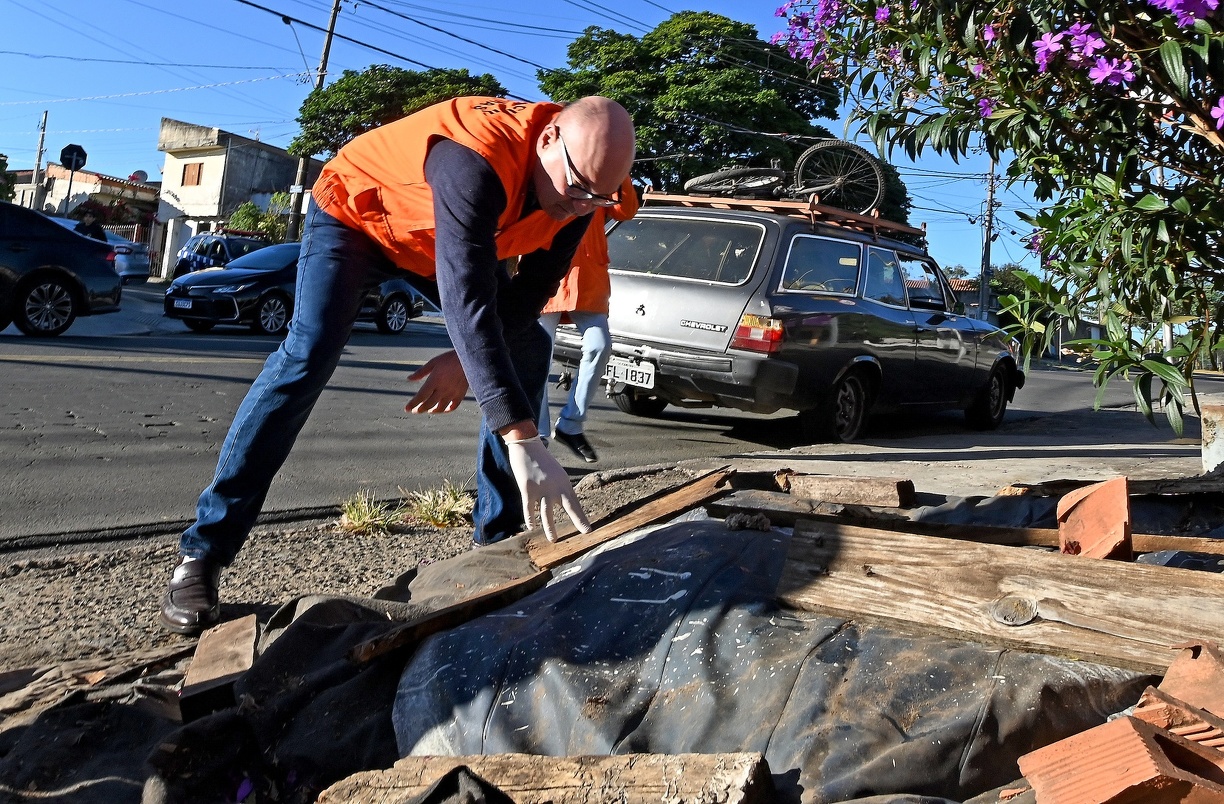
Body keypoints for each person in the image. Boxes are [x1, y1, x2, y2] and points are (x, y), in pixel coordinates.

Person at [160, 95, 636, 635]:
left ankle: (498, 549)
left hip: (430, 243)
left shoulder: (584, 192)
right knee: (307, 356)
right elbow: (467, 297)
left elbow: (531, 293)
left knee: (525, 347)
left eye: (600, 198)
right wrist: (523, 438)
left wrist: (467, 359)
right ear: (549, 139)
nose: (582, 206)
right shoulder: (474, 159)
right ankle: (202, 554)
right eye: (577, 190)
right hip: (355, 218)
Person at [538, 178, 639, 463]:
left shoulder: (604, 173)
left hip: (587, 279)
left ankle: (571, 424)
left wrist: (618, 171)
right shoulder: (554, 165)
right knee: (536, 359)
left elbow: (626, 210)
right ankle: (539, 436)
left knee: (599, 345)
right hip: (545, 273)